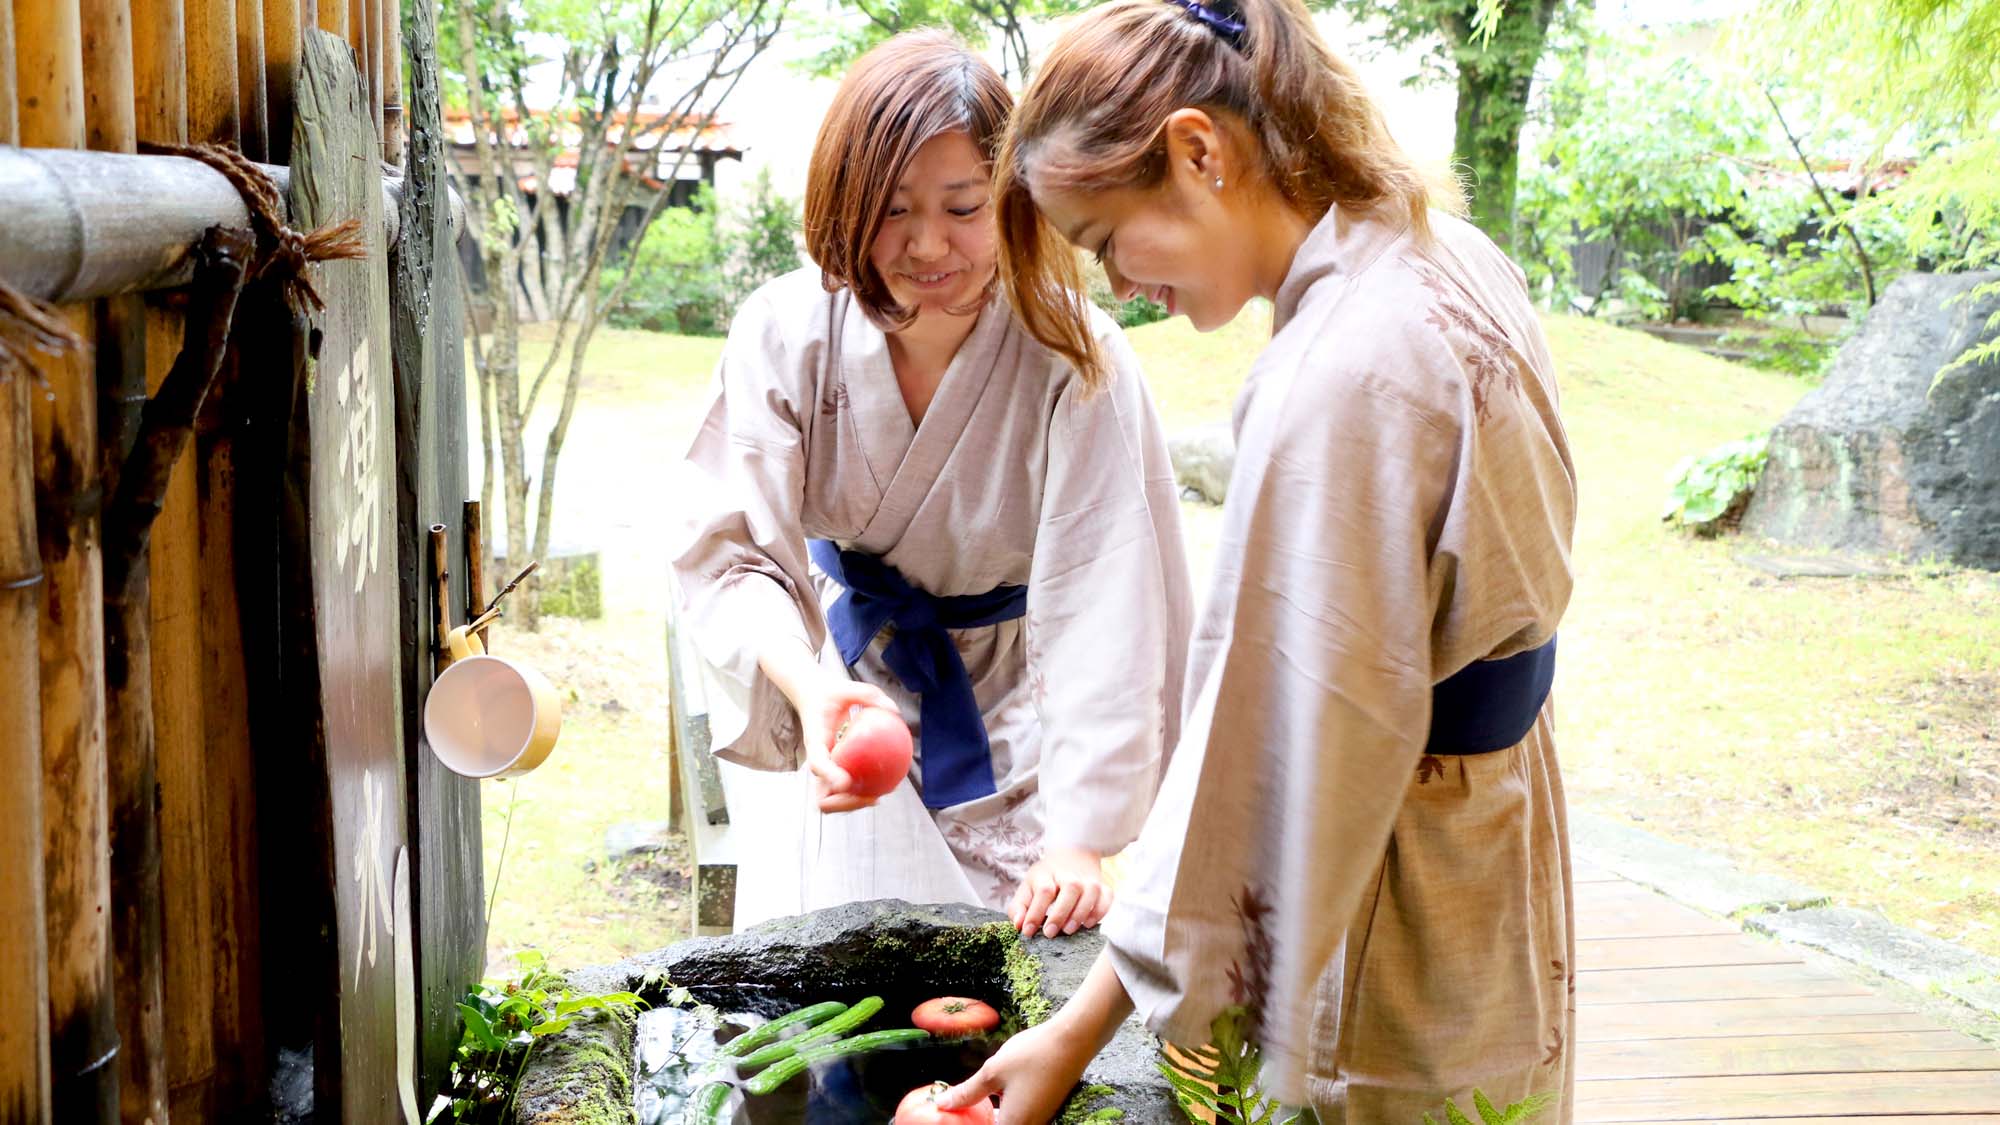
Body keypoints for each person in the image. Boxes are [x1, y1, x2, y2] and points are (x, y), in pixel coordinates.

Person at [937, 0, 1578, 1119]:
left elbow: (1261, 752)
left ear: (1199, 149)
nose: (1121, 289)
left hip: (1399, 864)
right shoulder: (1444, 253)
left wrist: (1076, 1033)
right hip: (1495, 813)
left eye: (1103, 241)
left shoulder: (1339, 374)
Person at [668, 29, 1193, 939]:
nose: (925, 245)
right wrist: (813, 692)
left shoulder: (1075, 354)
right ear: (844, 201)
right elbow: (731, 552)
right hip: (845, 682)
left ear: (1016, 200)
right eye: (893, 209)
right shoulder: (788, 331)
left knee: (1020, 974)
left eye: (962, 206)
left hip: (1021, 698)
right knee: (839, 988)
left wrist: (1084, 836)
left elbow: (1113, 600)